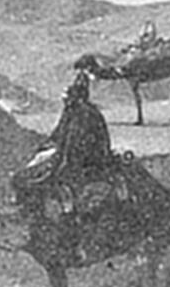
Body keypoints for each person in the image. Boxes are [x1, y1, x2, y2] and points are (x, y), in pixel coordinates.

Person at [11, 71, 121, 216]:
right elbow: (58, 134)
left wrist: (61, 160)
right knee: (29, 173)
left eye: (68, 97)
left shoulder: (85, 114)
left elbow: (77, 144)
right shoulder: (72, 112)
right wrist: (47, 147)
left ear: (77, 97)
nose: (66, 101)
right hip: (67, 155)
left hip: (84, 161)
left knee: (35, 179)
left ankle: (36, 214)